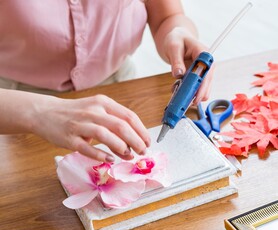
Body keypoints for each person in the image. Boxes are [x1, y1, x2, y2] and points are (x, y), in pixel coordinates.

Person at [0, 0, 213, 162]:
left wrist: (179, 33)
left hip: (123, 94)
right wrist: (39, 112)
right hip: (16, 110)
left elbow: (167, 15)